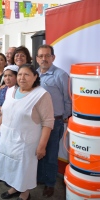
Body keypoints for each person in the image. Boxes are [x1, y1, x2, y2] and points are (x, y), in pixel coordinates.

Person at [0, 64, 54, 200]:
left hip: (26, 142)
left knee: (23, 168)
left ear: (35, 77)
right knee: (11, 166)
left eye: (26, 74)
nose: (22, 78)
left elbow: (48, 123)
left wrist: (42, 146)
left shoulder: (41, 95)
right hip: (8, 139)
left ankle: (24, 193)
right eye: (20, 74)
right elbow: (6, 112)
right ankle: (14, 187)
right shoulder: (11, 91)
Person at [36, 44, 72, 197]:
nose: (44, 59)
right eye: (41, 56)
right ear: (37, 59)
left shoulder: (61, 75)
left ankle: (50, 183)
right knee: (38, 151)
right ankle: (40, 178)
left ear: (53, 57)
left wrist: (66, 116)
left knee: (51, 154)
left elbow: (68, 98)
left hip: (54, 122)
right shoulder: (35, 74)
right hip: (36, 121)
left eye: (47, 55)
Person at [0, 65, 18, 172]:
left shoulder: (18, 91)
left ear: (16, 77)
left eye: (10, 75)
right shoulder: (2, 90)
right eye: (5, 76)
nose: (7, 78)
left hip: (11, 126)